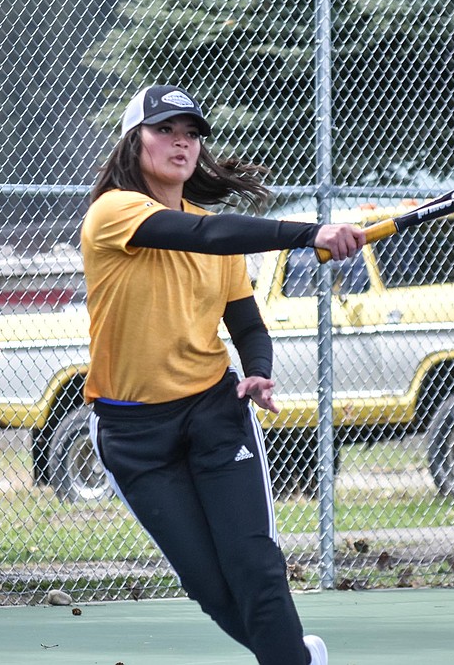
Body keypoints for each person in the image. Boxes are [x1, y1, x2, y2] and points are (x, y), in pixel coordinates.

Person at [80, 84, 366, 665]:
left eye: (190, 134)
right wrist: (305, 234)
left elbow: (248, 326)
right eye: (165, 131)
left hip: (214, 412)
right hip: (135, 436)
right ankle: (297, 657)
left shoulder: (213, 230)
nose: (180, 142)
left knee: (255, 566)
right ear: (135, 142)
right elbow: (204, 236)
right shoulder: (113, 212)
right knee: (210, 588)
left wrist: (257, 372)